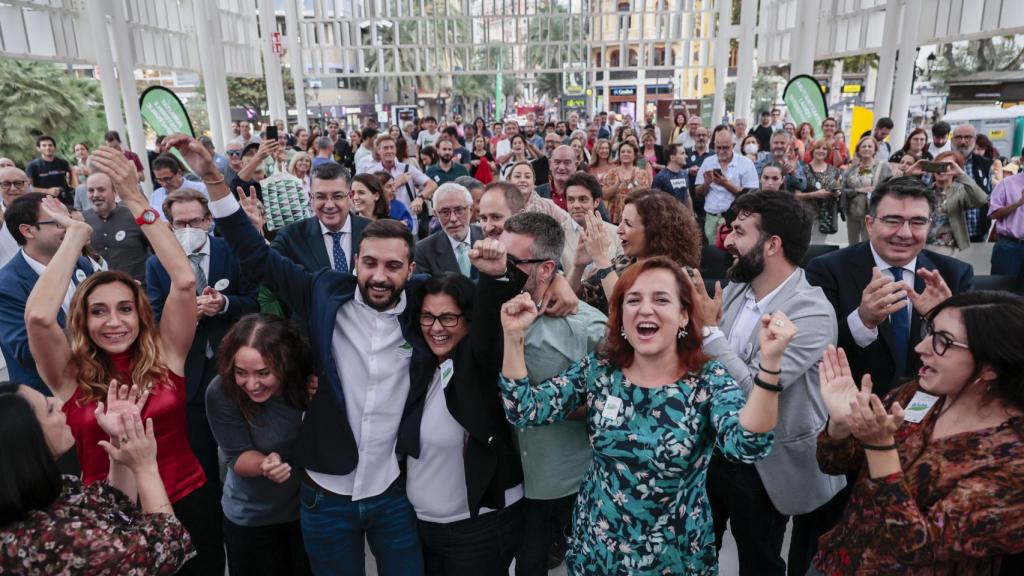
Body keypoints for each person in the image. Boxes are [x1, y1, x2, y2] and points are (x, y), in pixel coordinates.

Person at [196, 132, 437, 575]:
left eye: (393, 266)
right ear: (356, 259)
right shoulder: (323, 293)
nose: (379, 276)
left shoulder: (425, 307)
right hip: (325, 493)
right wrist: (215, 181)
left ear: (411, 269)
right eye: (370, 263)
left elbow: (481, 303)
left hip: (393, 491)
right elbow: (256, 256)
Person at [499, 253, 793, 574]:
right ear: (621, 314)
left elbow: (748, 444)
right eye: (633, 299)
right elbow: (524, 409)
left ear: (683, 315)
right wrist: (513, 336)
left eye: (661, 299)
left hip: (675, 556)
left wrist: (770, 366)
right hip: (598, 550)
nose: (645, 309)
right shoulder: (601, 369)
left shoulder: (707, 380)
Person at [24, 144, 225, 574]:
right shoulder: (69, 373)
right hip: (108, 517)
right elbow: (40, 317)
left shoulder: (166, 355)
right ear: (83, 319)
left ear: (140, 315)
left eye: (124, 308)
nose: (113, 322)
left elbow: (184, 280)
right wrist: (75, 239)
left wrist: (137, 200)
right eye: (98, 311)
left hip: (189, 502)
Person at [811, 291, 1024, 575]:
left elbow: (914, 548)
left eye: (943, 342)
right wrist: (840, 424)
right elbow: (834, 463)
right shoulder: (919, 394)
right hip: (839, 560)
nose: (921, 347)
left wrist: (880, 449)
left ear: (990, 368)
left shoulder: (1013, 461)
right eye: (930, 331)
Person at [688, 191, 845, 576]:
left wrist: (709, 331)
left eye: (739, 232)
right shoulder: (739, 288)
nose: (727, 242)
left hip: (765, 465)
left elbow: (755, 390)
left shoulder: (811, 311)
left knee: (759, 561)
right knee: (696, 549)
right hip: (714, 451)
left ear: (772, 244)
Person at [473, 213, 606, 576]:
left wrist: (549, 407)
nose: (502, 265)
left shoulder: (587, 327)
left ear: (546, 268)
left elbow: (611, 400)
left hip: (566, 481)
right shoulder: (489, 305)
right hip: (506, 478)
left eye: (513, 262)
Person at [805, 175, 975, 399]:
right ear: (869, 223)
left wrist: (941, 318)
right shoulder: (827, 270)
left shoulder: (954, 275)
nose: (904, 233)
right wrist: (863, 320)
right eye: (893, 221)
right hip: (853, 406)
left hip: (929, 408)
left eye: (917, 222)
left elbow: (973, 353)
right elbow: (815, 349)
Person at [0, 381, 194, 574]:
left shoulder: (41, 491)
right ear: (25, 445)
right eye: (50, 409)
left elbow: (114, 506)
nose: (59, 403)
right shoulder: (58, 539)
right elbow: (166, 549)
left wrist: (120, 438)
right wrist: (146, 467)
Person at [406, 273, 526, 575]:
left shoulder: (478, 365)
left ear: (469, 320)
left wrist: (495, 275)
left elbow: (488, 330)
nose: (436, 328)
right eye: (427, 317)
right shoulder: (424, 366)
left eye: (448, 318)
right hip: (423, 528)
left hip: (477, 532)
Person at [148, 188, 259, 495]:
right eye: (180, 223)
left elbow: (254, 302)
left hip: (234, 366)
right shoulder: (158, 264)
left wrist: (224, 304)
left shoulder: (232, 251)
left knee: (247, 444)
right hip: (191, 373)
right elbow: (156, 321)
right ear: (169, 225)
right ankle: (212, 517)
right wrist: (189, 315)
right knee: (201, 455)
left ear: (209, 220)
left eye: (194, 222)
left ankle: (251, 507)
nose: (187, 230)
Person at [206, 314, 313, 576]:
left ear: (286, 363)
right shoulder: (221, 392)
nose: (251, 385)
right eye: (241, 372)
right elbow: (237, 457)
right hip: (252, 520)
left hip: (307, 514)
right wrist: (264, 465)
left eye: (263, 373)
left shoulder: (306, 383)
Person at [0, 193, 96, 393]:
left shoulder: (81, 263)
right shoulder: (6, 286)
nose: (68, 227)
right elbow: (26, 351)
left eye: (68, 218)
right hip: (49, 399)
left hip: (95, 384)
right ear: (28, 231)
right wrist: (94, 328)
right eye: (58, 222)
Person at [576, 189, 702, 314]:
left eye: (628, 224)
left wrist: (601, 258)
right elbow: (576, 299)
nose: (619, 230)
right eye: (621, 221)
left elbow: (626, 311)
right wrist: (578, 266)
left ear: (655, 232)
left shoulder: (681, 275)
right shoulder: (624, 262)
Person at [269, 162, 370, 275]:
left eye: (337, 196)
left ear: (350, 196)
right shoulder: (291, 236)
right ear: (311, 197)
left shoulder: (372, 232)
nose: (329, 205)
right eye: (321, 197)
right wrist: (252, 229)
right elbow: (266, 266)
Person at [82, 171, 151, 283]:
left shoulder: (135, 216)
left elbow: (157, 255)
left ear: (115, 191)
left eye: (101, 189)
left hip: (138, 291)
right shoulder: (82, 221)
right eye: (91, 190)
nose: (95, 195)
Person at [914, 150, 988, 255]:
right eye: (938, 165)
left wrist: (962, 175)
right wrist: (908, 173)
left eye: (947, 165)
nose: (941, 169)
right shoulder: (926, 190)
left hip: (947, 249)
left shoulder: (960, 190)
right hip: (922, 246)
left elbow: (981, 199)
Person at [696, 127, 760, 244]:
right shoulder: (708, 162)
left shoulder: (745, 163)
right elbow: (698, 193)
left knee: (734, 253)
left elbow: (752, 194)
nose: (721, 151)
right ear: (714, 145)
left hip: (736, 218)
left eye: (725, 147)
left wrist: (725, 184)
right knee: (714, 254)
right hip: (711, 218)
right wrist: (706, 183)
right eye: (718, 147)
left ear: (733, 145)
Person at [414, 183, 483, 279]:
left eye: (459, 210)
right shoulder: (422, 251)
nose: (453, 219)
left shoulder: (488, 237)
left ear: (470, 210)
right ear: (436, 214)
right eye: (445, 212)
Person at [560, 172, 623, 274]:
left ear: (596, 202)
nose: (576, 205)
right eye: (571, 200)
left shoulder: (616, 233)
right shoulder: (557, 236)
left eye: (583, 199)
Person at [843, 136, 893, 246]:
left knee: (869, 243)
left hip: (872, 213)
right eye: (863, 146)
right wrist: (859, 190)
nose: (866, 148)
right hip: (853, 212)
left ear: (875, 149)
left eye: (870, 146)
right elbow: (843, 190)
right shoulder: (851, 169)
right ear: (858, 150)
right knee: (852, 244)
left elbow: (890, 188)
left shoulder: (883, 167)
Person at [950, 123, 994, 242]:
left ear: (974, 140)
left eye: (968, 137)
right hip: (948, 233)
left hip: (977, 231)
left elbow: (990, 194)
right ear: (952, 139)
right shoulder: (943, 161)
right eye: (959, 137)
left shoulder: (985, 164)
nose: (963, 141)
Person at [798, 139, 844, 243]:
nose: (821, 151)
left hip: (826, 215)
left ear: (828, 152)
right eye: (818, 148)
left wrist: (837, 193)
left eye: (824, 149)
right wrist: (814, 194)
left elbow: (838, 188)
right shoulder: (802, 170)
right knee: (804, 245)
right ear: (812, 151)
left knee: (818, 246)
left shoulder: (834, 170)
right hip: (806, 214)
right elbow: (796, 195)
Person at [988, 165, 1024, 288]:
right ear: (1022, 160)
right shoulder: (1006, 183)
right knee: (1001, 292)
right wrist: (1018, 203)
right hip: (1009, 246)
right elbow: (993, 214)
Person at [602, 141, 653, 224]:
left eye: (629, 152)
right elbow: (604, 196)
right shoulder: (612, 172)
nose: (625, 154)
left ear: (634, 155)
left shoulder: (642, 173)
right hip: (614, 215)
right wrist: (617, 183)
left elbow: (645, 196)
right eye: (622, 152)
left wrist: (632, 183)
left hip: (634, 214)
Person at [149, 154, 209, 221]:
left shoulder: (201, 189)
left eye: (168, 179)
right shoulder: (155, 195)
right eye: (159, 180)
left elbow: (212, 221)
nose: (164, 184)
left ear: (179, 173)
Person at [25, 135, 73, 207]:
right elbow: (27, 187)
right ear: (38, 148)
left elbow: (72, 179)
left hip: (66, 201)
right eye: (44, 145)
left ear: (54, 147)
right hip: (45, 203)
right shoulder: (32, 166)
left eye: (50, 145)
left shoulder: (63, 163)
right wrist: (47, 191)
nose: (48, 148)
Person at [0, 166, 30, 268]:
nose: (12, 188)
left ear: (28, 184)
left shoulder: (45, 211)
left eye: (18, 183)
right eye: (6, 184)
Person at [535, 145, 578, 211]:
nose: (561, 167)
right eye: (557, 162)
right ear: (550, 164)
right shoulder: (536, 194)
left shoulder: (587, 193)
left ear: (575, 166)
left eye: (567, 163)